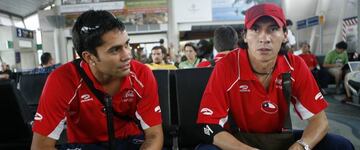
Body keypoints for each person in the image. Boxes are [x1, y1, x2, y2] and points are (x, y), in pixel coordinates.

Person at [196, 3, 353, 150]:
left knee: (341, 145)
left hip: (280, 140)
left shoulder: (294, 65)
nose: (264, 38)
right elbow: (209, 127)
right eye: (255, 29)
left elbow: (320, 121)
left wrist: (300, 146)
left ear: (284, 35)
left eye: (273, 29)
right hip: (237, 141)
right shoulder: (227, 66)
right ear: (245, 36)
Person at [31, 10, 163, 150]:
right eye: (115, 50)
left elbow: (154, 135)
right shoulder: (62, 80)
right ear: (89, 57)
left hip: (129, 141)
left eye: (126, 45)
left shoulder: (141, 74)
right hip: (85, 146)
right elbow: (41, 147)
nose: (127, 56)